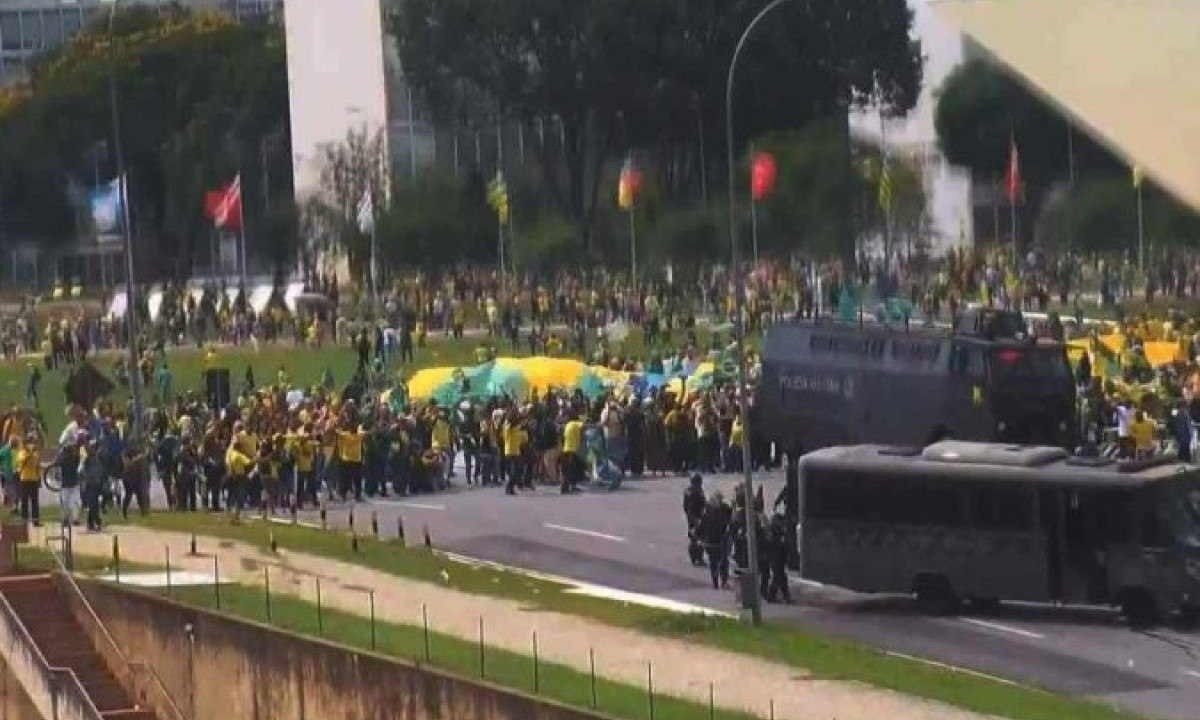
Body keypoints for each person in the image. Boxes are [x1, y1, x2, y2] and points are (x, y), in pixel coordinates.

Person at [695, 491, 731, 589]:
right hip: (719, 542)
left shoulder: (707, 514)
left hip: (710, 543)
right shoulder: (722, 512)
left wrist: (698, 537)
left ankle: (715, 582)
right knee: (723, 561)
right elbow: (727, 524)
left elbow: (700, 528)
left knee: (714, 563)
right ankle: (723, 581)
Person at [765, 512, 792, 604]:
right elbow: (777, 545)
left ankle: (780, 596)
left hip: (778, 557)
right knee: (779, 577)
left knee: (780, 577)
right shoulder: (775, 532)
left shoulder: (777, 531)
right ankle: (777, 596)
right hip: (776, 557)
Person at [56, 433, 83, 526]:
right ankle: (65, 519)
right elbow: (57, 463)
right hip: (65, 484)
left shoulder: (75, 456)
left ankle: (75, 519)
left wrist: (76, 447)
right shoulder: (62, 456)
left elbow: (78, 457)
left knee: (76, 502)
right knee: (65, 502)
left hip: (74, 483)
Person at [79, 439, 106, 531]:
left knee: (94, 505)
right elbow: (81, 469)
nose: (94, 449)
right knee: (92, 504)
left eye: (95, 448)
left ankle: (90, 524)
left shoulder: (99, 458)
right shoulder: (87, 458)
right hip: (89, 485)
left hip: (98, 485)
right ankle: (98, 522)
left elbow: (102, 472)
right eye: (93, 448)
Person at [15, 434, 41, 525]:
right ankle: (24, 520)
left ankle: (36, 520)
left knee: (35, 501)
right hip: (24, 479)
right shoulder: (22, 452)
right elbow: (22, 461)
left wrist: (39, 478)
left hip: (34, 479)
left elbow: (37, 466)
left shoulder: (36, 452)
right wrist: (29, 452)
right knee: (24, 501)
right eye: (30, 441)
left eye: (32, 441)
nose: (32, 443)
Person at [683, 474, 706, 566]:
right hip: (694, 517)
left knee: (697, 537)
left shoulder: (694, 491)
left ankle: (698, 557)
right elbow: (689, 508)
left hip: (698, 516)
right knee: (696, 537)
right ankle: (696, 557)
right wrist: (695, 519)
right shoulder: (692, 493)